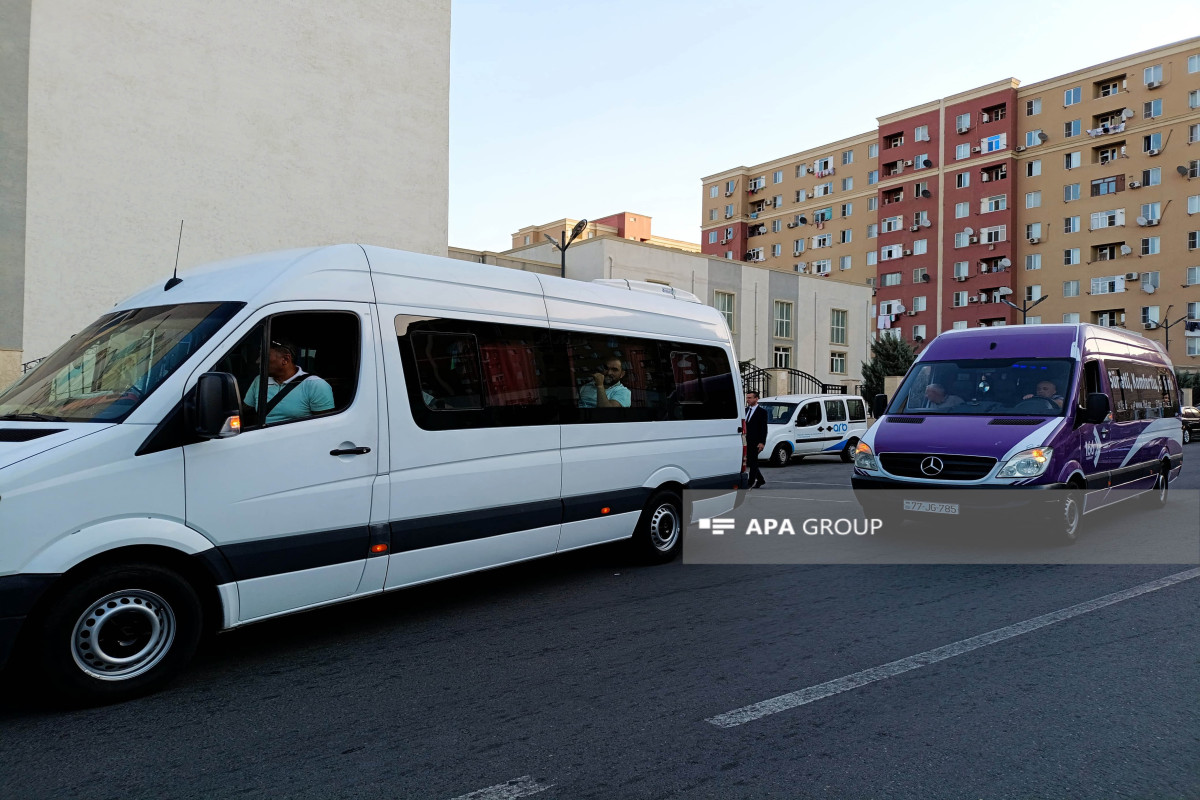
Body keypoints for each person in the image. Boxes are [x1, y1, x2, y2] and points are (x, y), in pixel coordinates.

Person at [244, 338, 335, 424]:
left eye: (264, 357)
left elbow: (324, 427)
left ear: (285, 359)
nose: (258, 361)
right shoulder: (260, 380)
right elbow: (245, 411)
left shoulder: (315, 385)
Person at [745, 390, 768, 489]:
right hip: (745, 440)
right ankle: (761, 480)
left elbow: (763, 428)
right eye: (747, 397)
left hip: (755, 441)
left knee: (753, 461)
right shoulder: (745, 410)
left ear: (756, 399)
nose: (748, 400)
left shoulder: (762, 412)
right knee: (750, 461)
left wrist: (762, 442)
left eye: (750, 398)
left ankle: (750, 482)